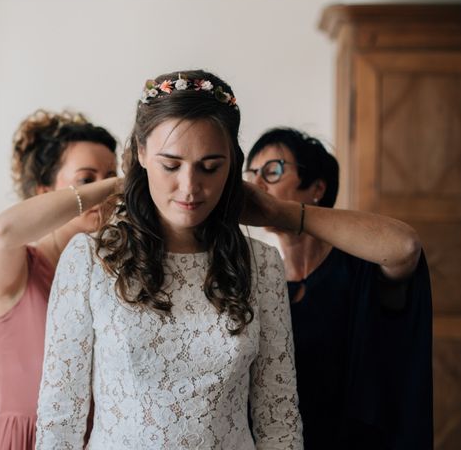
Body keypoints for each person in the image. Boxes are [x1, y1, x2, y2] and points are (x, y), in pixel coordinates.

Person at [36, 70, 303, 449]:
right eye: (171, 165)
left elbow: (279, 418)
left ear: (232, 163)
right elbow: (59, 420)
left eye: (211, 167)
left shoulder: (262, 265)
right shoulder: (88, 260)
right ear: (141, 154)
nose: (190, 187)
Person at [242, 127, 433, 450]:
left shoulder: (359, 266)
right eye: (252, 173)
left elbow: (406, 246)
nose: (257, 184)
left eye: (272, 170)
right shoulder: (257, 274)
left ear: (317, 187)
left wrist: (280, 211)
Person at [0, 109, 118, 450]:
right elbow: (2, 232)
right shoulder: (18, 270)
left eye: (111, 176)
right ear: (45, 191)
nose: (104, 193)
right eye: (88, 179)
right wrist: (115, 185)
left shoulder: (113, 276)